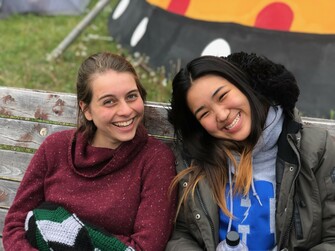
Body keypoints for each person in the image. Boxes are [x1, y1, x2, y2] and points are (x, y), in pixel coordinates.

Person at [3, 52, 177, 251]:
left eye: (131, 96)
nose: (126, 110)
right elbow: (15, 225)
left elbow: (147, 247)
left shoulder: (155, 159)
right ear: (86, 109)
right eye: (109, 101)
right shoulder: (55, 148)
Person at [165, 52, 335, 251]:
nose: (221, 115)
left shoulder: (315, 149)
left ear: (244, 86)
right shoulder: (194, 161)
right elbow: (182, 233)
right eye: (204, 113)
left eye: (223, 96)